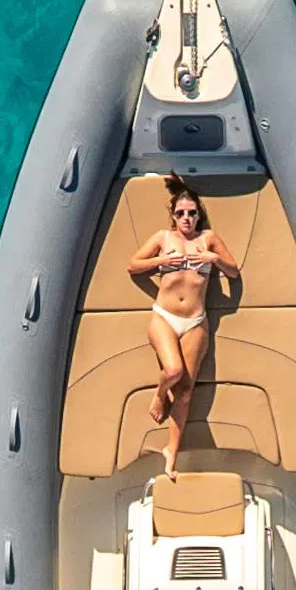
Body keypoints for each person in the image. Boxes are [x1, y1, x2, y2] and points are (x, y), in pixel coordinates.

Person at [125, 177, 238, 474]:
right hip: (165, 316)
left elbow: (234, 273)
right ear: (173, 216)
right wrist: (160, 261)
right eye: (181, 213)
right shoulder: (163, 238)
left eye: (192, 213)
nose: (187, 218)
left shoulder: (208, 239)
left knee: (186, 391)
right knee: (173, 372)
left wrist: (212, 258)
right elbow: (133, 265)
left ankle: (171, 451)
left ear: (199, 215)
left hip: (195, 322)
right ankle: (161, 393)